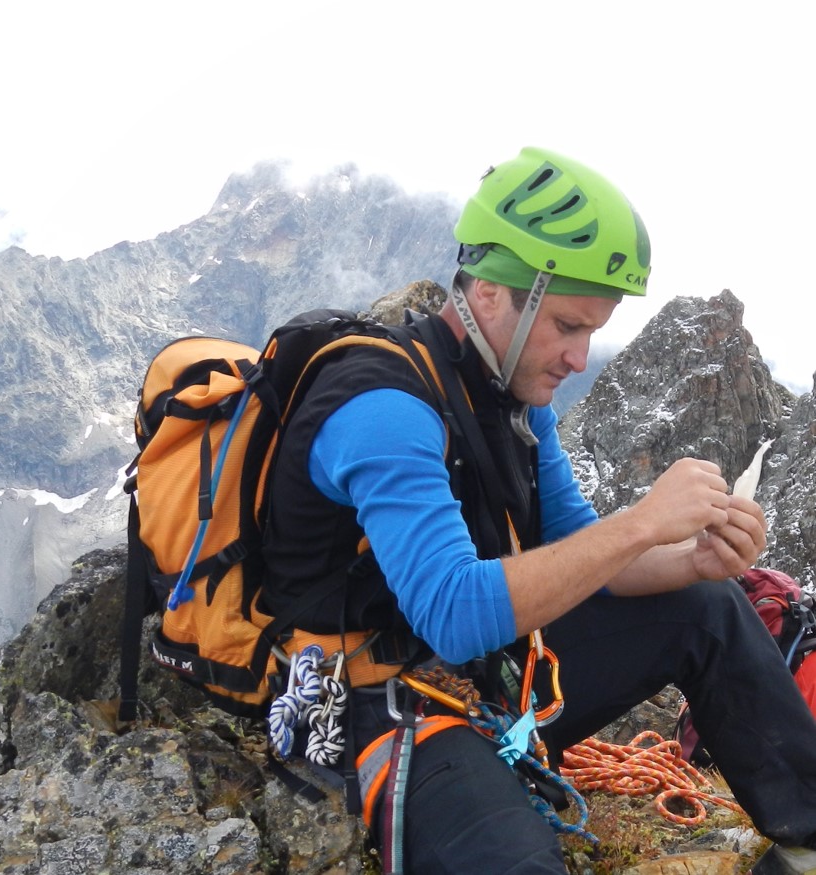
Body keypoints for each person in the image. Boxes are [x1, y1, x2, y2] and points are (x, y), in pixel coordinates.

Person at [260, 146, 816, 873]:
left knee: (707, 603)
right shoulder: (383, 408)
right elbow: (454, 613)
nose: (581, 357)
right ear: (489, 291)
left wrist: (689, 561)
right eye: (567, 326)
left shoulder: (514, 401)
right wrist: (643, 521)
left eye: (591, 330)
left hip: (476, 677)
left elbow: (590, 558)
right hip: (367, 700)